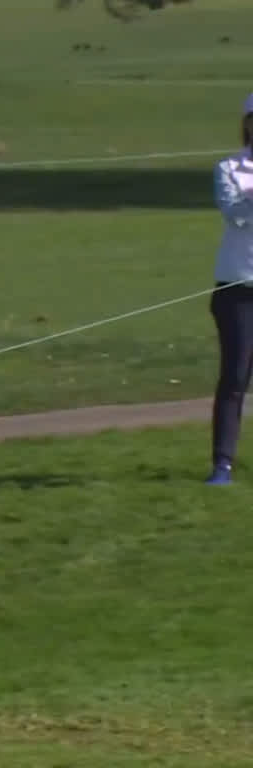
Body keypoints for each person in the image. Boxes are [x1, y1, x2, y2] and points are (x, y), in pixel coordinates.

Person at [207, 93, 253, 485]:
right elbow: (235, 215)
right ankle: (222, 463)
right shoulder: (228, 168)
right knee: (236, 376)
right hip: (237, 287)